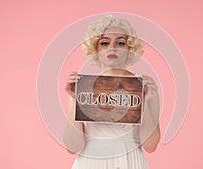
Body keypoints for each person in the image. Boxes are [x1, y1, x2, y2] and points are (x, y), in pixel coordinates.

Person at [64, 14, 161, 169]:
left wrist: (146, 103)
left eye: (120, 42)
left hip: (131, 162)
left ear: (131, 48)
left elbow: (150, 146)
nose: (112, 47)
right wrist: (76, 101)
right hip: (90, 162)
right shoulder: (81, 87)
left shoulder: (146, 87)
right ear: (95, 49)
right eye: (104, 43)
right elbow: (72, 147)